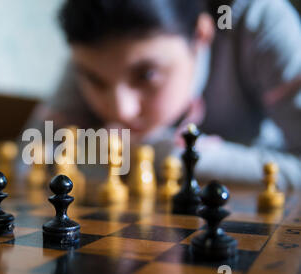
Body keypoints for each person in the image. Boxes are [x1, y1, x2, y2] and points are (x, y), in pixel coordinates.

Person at [23, 0, 301, 190]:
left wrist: (170, 155)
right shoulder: (95, 51)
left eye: (147, 75)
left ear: (200, 36)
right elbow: (30, 157)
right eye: (96, 81)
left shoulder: (259, 21)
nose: (122, 110)